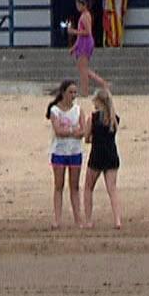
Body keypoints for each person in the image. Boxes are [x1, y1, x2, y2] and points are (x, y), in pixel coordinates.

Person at [82, 87, 123, 230]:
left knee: (88, 187)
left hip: (97, 155)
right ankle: (117, 219)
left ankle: (88, 220)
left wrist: (93, 137)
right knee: (112, 189)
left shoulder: (93, 119)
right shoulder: (114, 119)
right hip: (111, 154)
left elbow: (87, 138)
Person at [45, 81, 84, 230]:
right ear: (63, 93)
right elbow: (58, 131)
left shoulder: (78, 110)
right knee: (58, 186)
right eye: (70, 92)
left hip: (75, 151)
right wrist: (72, 131)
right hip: (59, 152)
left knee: (74, 186)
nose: (73, 96)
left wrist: (72, 132)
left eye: (75, 92)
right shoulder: (55, 110)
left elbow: (83, 131)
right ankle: (57, 219)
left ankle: (78, 219)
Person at [68, 0, 102, 102]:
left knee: (83, 69)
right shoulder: (83, 16)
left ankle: (85, 91)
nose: (77, 7)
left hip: (86, 43)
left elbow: (87, 32)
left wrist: (73, 31)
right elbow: (80, 37)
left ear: (83, 5)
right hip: (82, 43)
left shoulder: (85, 16)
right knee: (83, 68)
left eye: (78, 5)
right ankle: (102, 83)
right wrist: (74, 47)